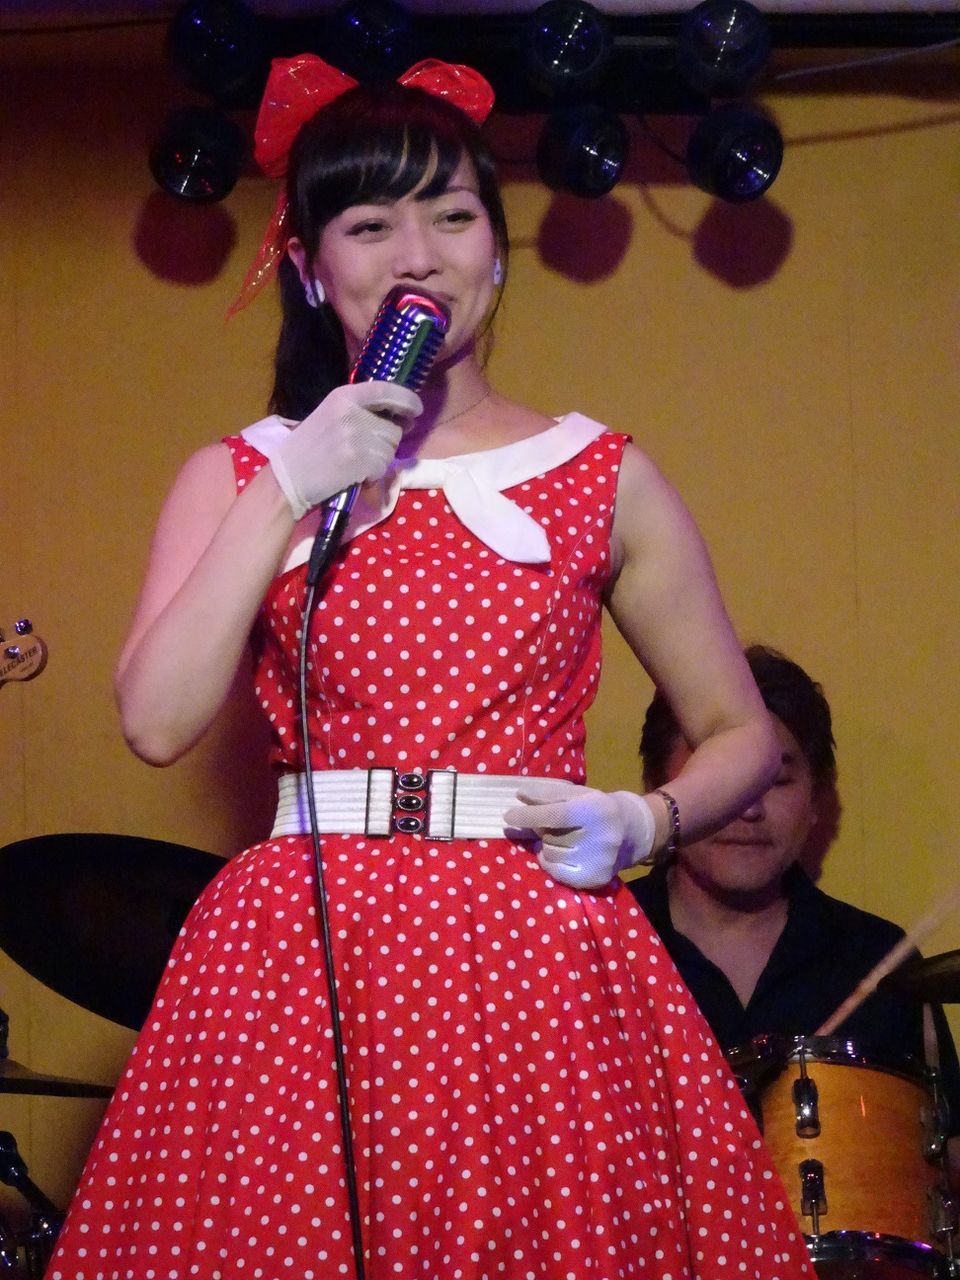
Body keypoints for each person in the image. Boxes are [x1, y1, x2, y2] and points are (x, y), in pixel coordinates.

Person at [46, 56, 814, 1280]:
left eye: (453, 215)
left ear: (496, 252)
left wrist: (644, 818)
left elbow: (740, 728)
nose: (419, 255)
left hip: (532, 944)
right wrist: (290, 486)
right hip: (303, 948)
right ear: (311, 267)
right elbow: (156, 718)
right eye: (370, 224)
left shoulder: (598, 473)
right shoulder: (242, 472)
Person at [629, 643, 960, 1125]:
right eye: (718, 778)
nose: (748, 808)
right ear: (656, 789)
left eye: (776, 780)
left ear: (815, 799)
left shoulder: (878, 961)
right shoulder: (598, 950)